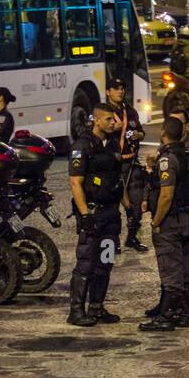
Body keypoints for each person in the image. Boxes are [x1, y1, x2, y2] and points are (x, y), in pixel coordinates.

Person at [137, 116, 189, 332]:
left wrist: (156, 221)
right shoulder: (186, 154)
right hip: (185, 217)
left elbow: (166, 195)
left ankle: (168, 315)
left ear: (163, 132)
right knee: (184, 264)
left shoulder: (167, 158)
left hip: (170, 220)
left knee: (170, 269)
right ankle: (182, 312)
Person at [67, 102, 124, 326]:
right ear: (96, 120)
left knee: (106, 261)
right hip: (93, 213)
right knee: (86, 263)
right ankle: (76, 311)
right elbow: (75, 182)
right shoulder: (82, 146)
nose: (114, 123)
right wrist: (85, 215)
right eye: (109, 119)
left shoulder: (112, 144)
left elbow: (118, 178)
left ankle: (97, 307)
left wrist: (129, 207)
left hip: (111, 214)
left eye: (115, 119)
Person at [104, 77, 147, 252]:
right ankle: (113, 243)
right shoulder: (103, 112)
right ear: (108, 92)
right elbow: (92, 131)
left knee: (137, 204)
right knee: (113, 209)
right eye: (116, 89)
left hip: (131, 162)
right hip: (112, 165)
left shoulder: (130, 111)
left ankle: (132, 237)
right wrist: (111, 128)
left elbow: (141, 131)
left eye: (122, 88)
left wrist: (139, 135)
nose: (120, 91)